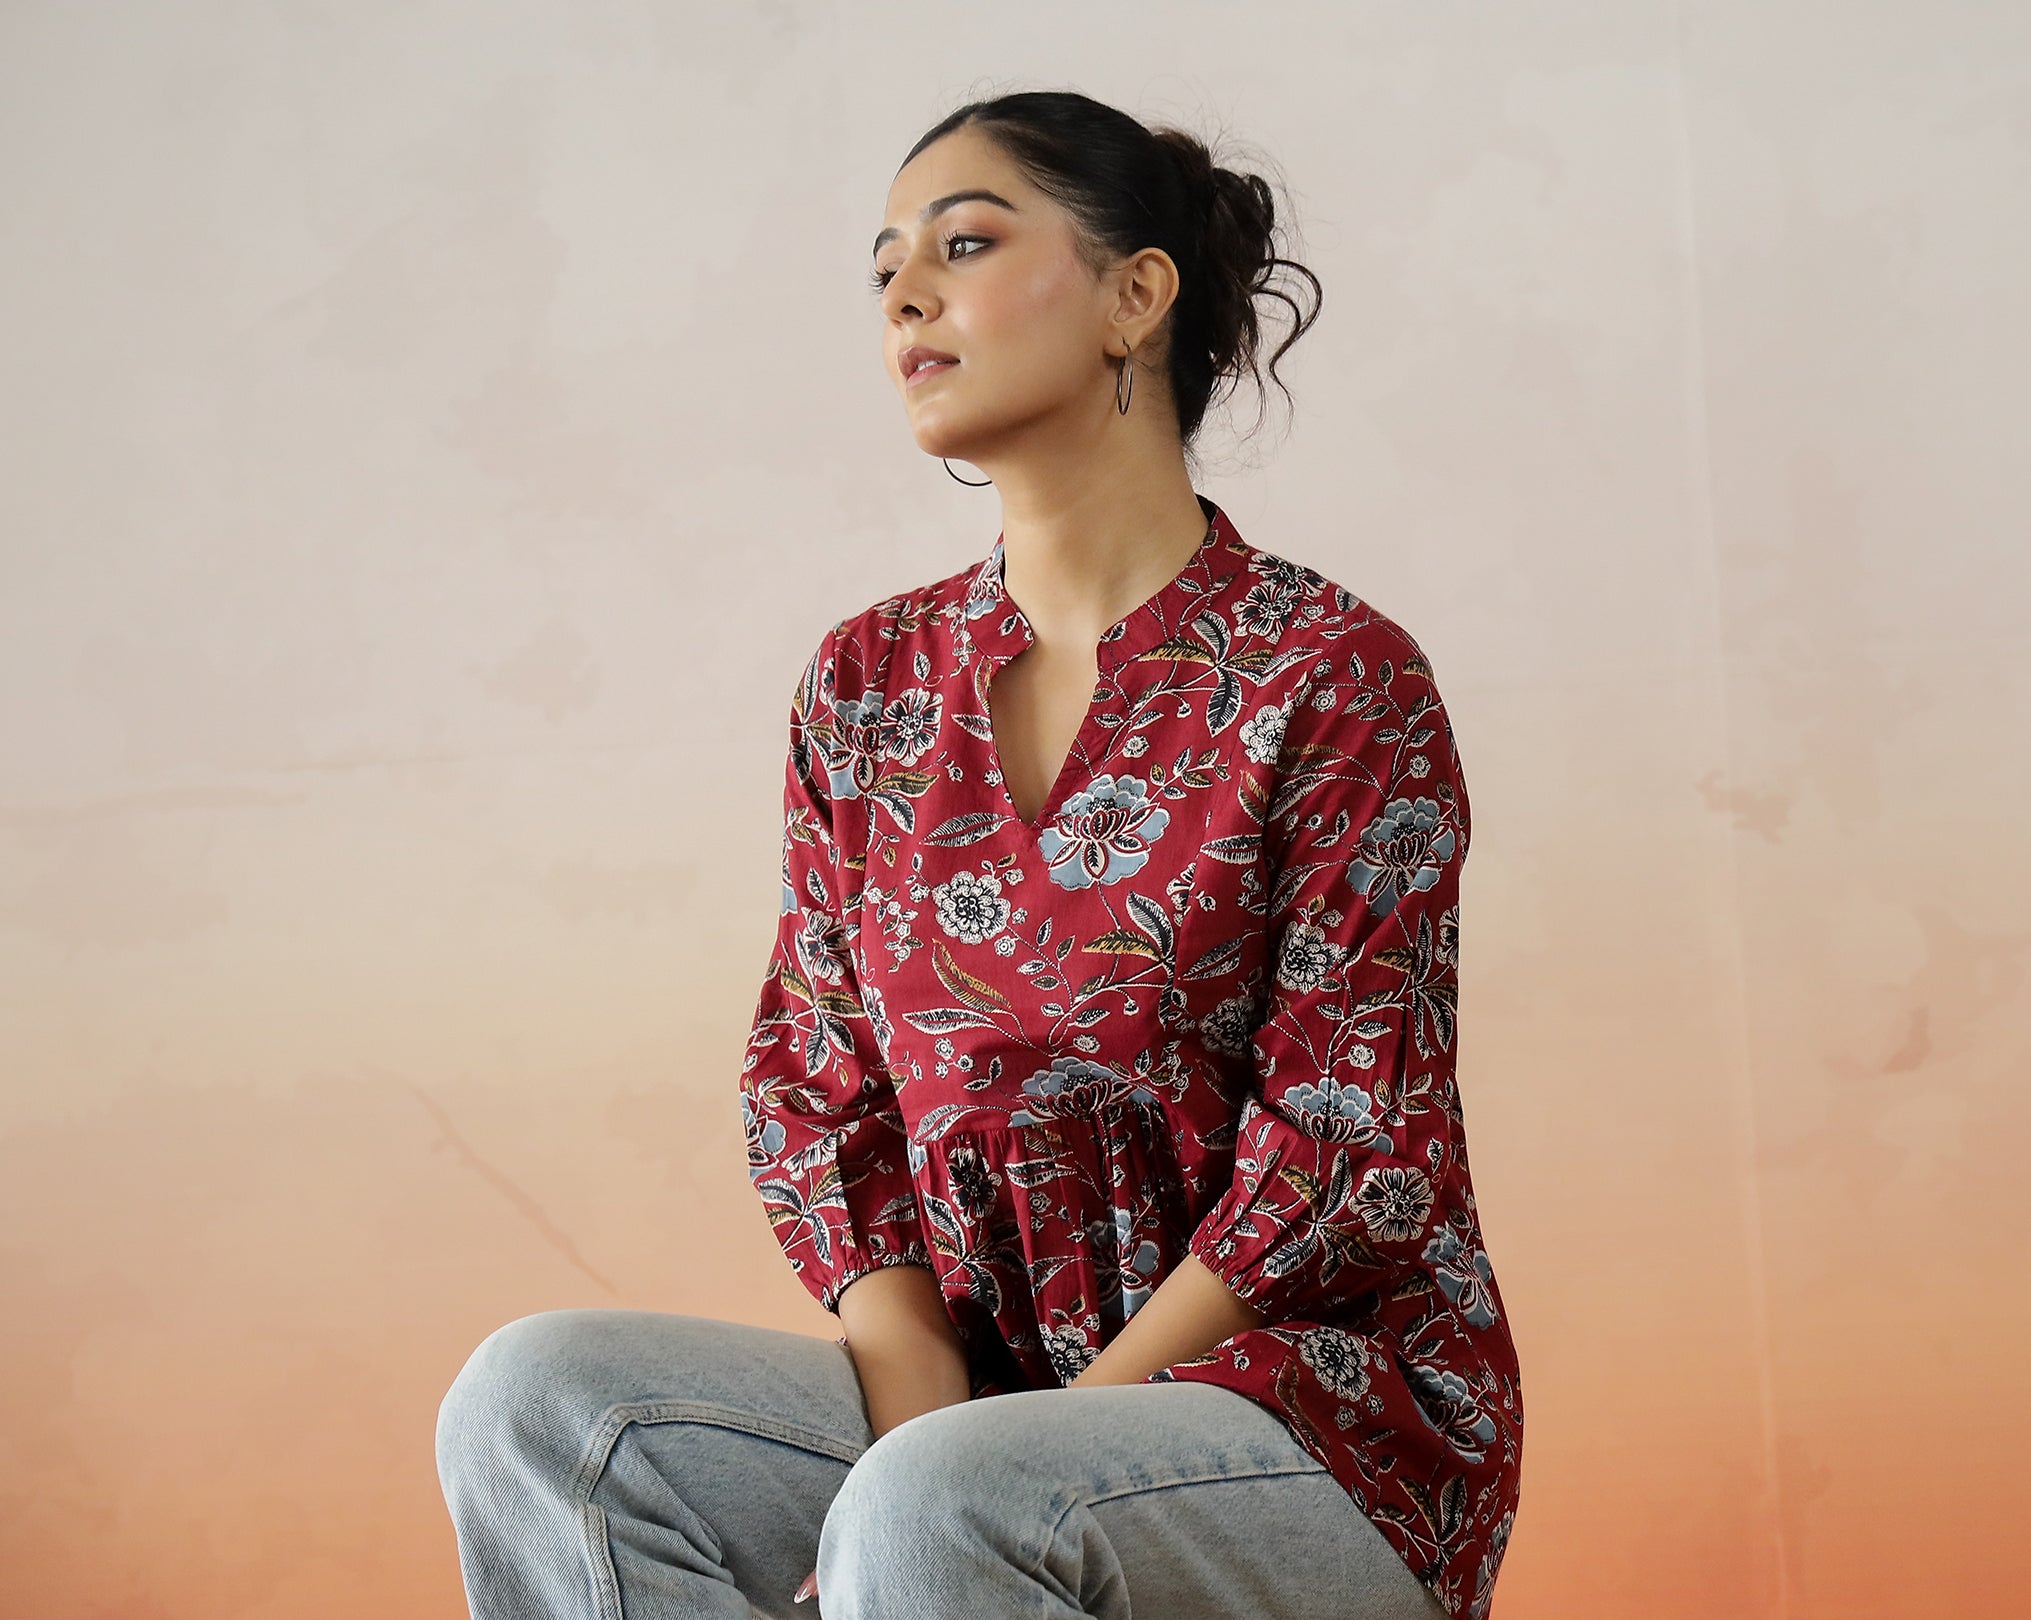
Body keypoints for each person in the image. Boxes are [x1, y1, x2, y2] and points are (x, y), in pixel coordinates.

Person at [433, 88, 1522, 1620]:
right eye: (885, 269)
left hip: (1307, 1423)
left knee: (953, 1502)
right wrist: (923, 1421)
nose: (905, 295)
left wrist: (973, 1463)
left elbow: (1346, 1152)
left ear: (1137, 294)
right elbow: (818, 1090)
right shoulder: (867, 684)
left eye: (963, 243)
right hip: (973, 1411)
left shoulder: (1333, 677)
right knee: (548, 1410)